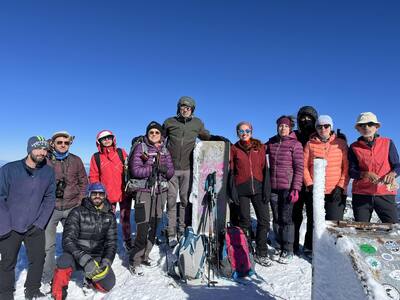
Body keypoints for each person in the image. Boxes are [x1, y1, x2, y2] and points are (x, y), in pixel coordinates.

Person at [163, 96, 227, 245]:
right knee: (171, 201)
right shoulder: (169, 122)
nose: (185, 110)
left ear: (192, 110)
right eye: (182, 107)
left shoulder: (197, 123)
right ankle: (171, 233)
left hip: (187, 169)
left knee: (186, 200)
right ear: (178, 108)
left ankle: (182, 228)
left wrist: (218, 138)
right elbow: (159, 139)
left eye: (188, 107)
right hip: (171, 169)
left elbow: (205, 136)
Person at [0, 136, 55, 300]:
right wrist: (4, 226)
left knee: (38, 259)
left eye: (45, 149)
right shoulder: (9, 169)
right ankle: (5, 293)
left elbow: (50, 198)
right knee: (8, 262)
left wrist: (40, 223)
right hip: (11, 226)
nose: (42, 152)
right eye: (38, 148)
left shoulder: (48, 172)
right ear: (29, 149)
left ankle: (32, 290)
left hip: (34, 225)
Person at [51, 182, 117, 300]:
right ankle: (58, 294)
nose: (97, 196)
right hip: (77, 255)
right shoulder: (77, 212)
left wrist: (106, 261)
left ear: (105, 196)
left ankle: (90, 279)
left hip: (96, 256)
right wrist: (85, 260)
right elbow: (68, 240)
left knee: (109, 284)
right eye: (94, 194)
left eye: (101, 194)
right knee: (63, 261)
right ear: (88, 195)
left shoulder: (109, 216)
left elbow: (111, 243)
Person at [128, 121, 174, 275]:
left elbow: (171, 172)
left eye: (157, 132)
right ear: (147, 134)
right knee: (142, 225)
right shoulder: (141, 148)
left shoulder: (165, 151)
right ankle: (135, 260)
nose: (154, 135)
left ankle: (145, 255)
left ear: (161, 135)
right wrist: (151, 168)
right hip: (144, 190)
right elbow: (135, 170)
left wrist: (163, 169)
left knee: (154, 223)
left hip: (160, 192)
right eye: (151, 132)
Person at [42, 131, 88, 283]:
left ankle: (71, 270)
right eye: (59, 142)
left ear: (70, 144)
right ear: (52, 143)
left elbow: (83, 182)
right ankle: (48, 276)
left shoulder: (76, 160)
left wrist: (79, 202)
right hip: (50, 208)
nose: (63, 145)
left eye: (66, 142)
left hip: (71, 207)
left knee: (73, 241)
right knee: (48, 245)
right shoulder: (45, 160)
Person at [228, 121, 272, 267]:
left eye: (247, 130)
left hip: (259, 189)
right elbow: (232, 171)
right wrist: (232, 190)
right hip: (242, 190)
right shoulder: (234, 149)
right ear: (237, 133)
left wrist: (266, 188)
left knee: (264, 220)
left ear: (251, 132)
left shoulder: (260, 148)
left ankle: (261, 251)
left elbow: (266, 170)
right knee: (244, 222)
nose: (244, 133)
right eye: (241, 131)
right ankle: (246, 251)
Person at [349, 112, 400, 223]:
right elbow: (351, 171)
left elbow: (397, 165)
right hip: (361, 194)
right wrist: (365, 174)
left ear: (376, 127)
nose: (366, 127)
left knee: (393, 228)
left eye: (370, 124)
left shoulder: (388, 143)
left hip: (385, 193)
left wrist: (392, 174)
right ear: (358, 129)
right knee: (361, 229)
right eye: (362, 125)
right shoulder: (353, 147)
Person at [266, 116, 304, 264]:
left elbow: (299, 168)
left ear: (290, 128)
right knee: (276, 217)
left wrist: (296, 188)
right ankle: (278, 245)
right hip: (273, 187)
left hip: (288, 188)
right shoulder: (272, 143)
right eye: (281, 126)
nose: (283, 128)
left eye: (286, 126)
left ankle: (288, 249)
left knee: (286, 219)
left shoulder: (295, 145)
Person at [89, 130, 132, 251]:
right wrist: (97, 194)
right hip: (107, 196)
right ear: (99, 142)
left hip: (124, 193)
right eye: (104, 138)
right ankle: (108, 243)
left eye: (109, 137)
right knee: (107, 221)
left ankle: (127, 241)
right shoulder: (96, 157)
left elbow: (130, 168)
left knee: (125, 219)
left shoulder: (121, 152)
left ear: (113, 139)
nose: (107, 140)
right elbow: (93, 176)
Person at [303, 115, 349, 222]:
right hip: (315, 191)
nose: (323, 129)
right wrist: (309, 184)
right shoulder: (310, 144)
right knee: (314, 224)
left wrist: (340, 187)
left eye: (326, 126)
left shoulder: (341, 143)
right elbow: (304, 166)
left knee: (333, 225)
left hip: (335, 192)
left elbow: (346, 167)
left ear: (331, 127)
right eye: (319, 126)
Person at [292, 105, 318, 256]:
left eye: (309, 118)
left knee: (312, 216)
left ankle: (309, 245)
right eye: (302, 118)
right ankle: (293, 244)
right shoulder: (293, 135)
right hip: (296, 182)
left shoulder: (318, 136)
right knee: (295, 216)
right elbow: (274, 142)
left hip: (313, 184)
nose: (305, 121)